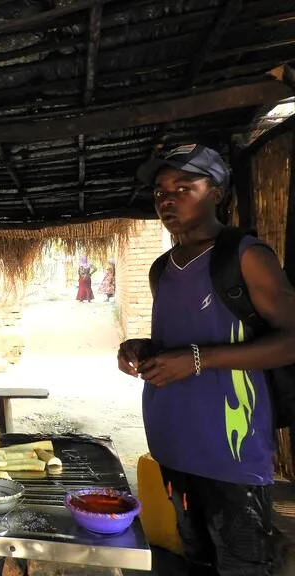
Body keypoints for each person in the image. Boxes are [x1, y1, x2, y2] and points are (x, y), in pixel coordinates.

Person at [117, 144, 295, 576]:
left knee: (242, 563)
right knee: (195, 555)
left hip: (231, 446)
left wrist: (198, 360)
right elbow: (180, 339)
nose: (168, 198)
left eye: (184, 187)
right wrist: (141, 347)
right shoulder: (163, 267)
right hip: (173, 441)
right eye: (161, 190)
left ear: (216, 193)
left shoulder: (245, 257)